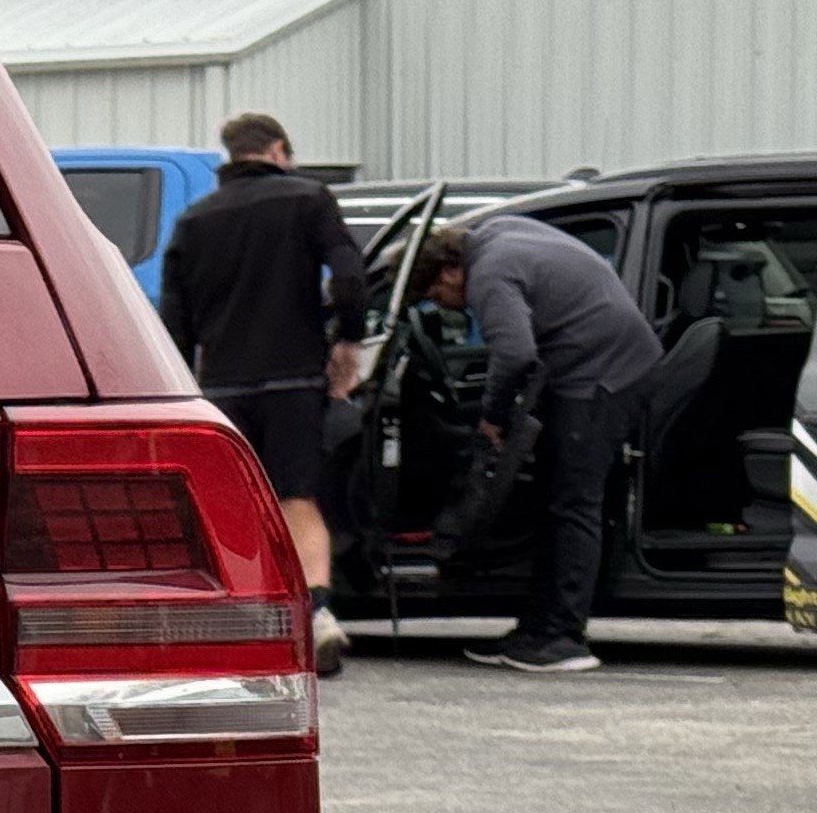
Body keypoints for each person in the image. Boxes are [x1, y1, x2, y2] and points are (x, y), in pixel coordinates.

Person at [157, 112, 365, 673]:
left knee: (236, 503)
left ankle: (244, 618)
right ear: (278, 151)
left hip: (222, 385)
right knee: (298, 497)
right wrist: (347, 341)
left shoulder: (193, 220)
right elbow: (349, 277)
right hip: (294, 378)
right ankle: (318, 615)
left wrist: (183, 392)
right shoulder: (308, 198)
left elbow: (174, 321)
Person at [411, 213, 663, 672]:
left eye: (434, 294)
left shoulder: (489, 272)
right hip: (598, 364)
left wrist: (493, 417)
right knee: (553, 498)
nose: (442, 305)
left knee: (573, 502)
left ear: (449, 271)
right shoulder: (498, 232)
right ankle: (537, 629)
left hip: (603, 375)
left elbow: (514, 352)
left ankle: (563, 638)